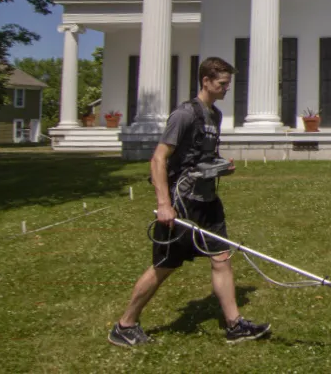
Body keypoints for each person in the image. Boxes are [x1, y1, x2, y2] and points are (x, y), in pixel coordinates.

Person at [108, 57, 270, 347]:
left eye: (228, 84)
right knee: (164, 266)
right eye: (222, 84)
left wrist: (221, 166)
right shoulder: (184, 114)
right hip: (181, 204)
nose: (226, 89)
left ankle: (234, 325)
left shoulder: (215, 116)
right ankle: (125, 324)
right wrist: (164, 204)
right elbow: (158, 158)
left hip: (207, 200)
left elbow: (200, 158)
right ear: (205, 81)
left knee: (221, 258)